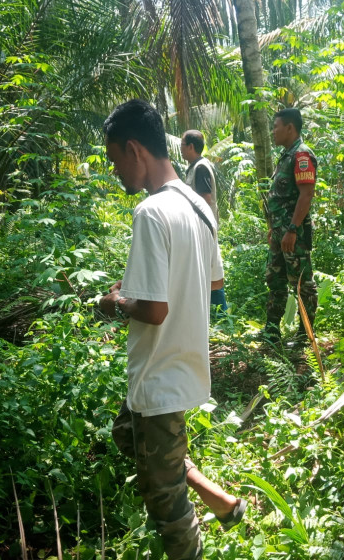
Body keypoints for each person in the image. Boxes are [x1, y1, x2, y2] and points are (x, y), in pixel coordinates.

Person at [99, 100, 246, 560]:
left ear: (133, 149)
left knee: (165, 503)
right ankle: (214, 494)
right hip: (184, 365)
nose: (116, 173)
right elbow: (215, 280)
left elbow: (155, 310)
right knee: (128, 434)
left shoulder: (151, 211)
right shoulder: (198, 208)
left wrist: (115, 302)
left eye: (114, 162)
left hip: (158, 374)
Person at [262, 108, 318, 346]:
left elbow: (306, 195)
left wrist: (292, 230)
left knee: (301, 282)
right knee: (275, 279)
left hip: (294, 235)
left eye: (275, 126)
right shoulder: (287, 155)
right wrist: (274, 229)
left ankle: (305, 335)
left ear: (289, 128)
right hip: (280, 233)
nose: (273, 131)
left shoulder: (302, 155)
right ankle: (272, 331)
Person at [181, 129, 227, 314]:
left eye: (183, 146)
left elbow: (205, 199)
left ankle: (220, 315)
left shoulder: (201, 168)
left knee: (211, 270)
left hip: (203, 229)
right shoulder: (194, 167)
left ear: (191, 146)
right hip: (199, 228)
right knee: (205, 270)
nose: (181, 150)